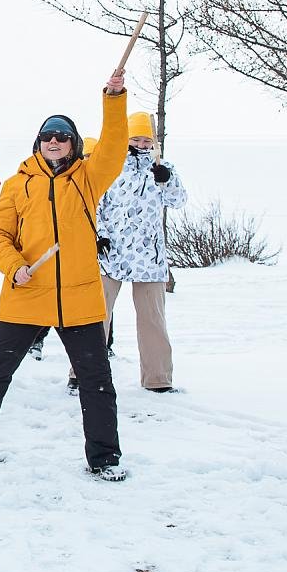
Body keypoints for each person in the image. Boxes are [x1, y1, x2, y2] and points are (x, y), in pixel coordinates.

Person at [0, 71, 131, 475]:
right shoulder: (18, 184)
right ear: (38, 143)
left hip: (79, 298)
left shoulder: (88, 178)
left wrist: (114, 98)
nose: (54, 141)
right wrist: (14, 267)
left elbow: (116, 146)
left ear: (74, 144)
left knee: (96, 380)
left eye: (62, 136)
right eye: (47, 136)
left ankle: (104, 458)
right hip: (26, 295)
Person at [95, 110, 188, 392]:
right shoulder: (111, 167)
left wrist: (167, 179)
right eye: (136, 139)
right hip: (113, 253)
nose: (142, 145)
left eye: (147, 140)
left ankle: (158, 378)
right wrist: (98, 235)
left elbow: (179, 201)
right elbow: (96, 202)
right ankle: (84, 373)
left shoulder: (162, 167)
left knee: (152, 320)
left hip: (149, 256)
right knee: (97, 317)